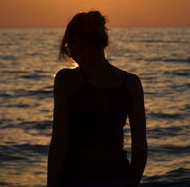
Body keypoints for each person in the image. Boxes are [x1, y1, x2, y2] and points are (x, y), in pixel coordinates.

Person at [47, 11, 147, 187]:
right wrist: (131, 182)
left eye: (68, 49)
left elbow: (59, 144)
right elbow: (140, 147)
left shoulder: (66, 80)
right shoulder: (131, 82)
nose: (70, 54)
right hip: (120, 176)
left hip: (77, 178)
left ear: (77, 43)